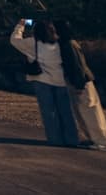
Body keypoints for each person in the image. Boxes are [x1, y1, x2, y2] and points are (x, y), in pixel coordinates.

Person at [10, 18, 79, 147]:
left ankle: (55, 139)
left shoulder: (32, 43)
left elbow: (14, 40)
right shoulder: (60, 44)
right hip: (61, 80)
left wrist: (20, 25)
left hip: (42, 80)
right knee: (66, 112)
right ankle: (72, 139)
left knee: (49, 112)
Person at [53, 20, 106, 151]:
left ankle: (102, 142)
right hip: (79, 82)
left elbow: (77, 66)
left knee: (90, 113)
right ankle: (94, 139)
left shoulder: (68, 45)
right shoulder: (68, 43)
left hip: (81, 82)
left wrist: (78, 84)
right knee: (84, 113)